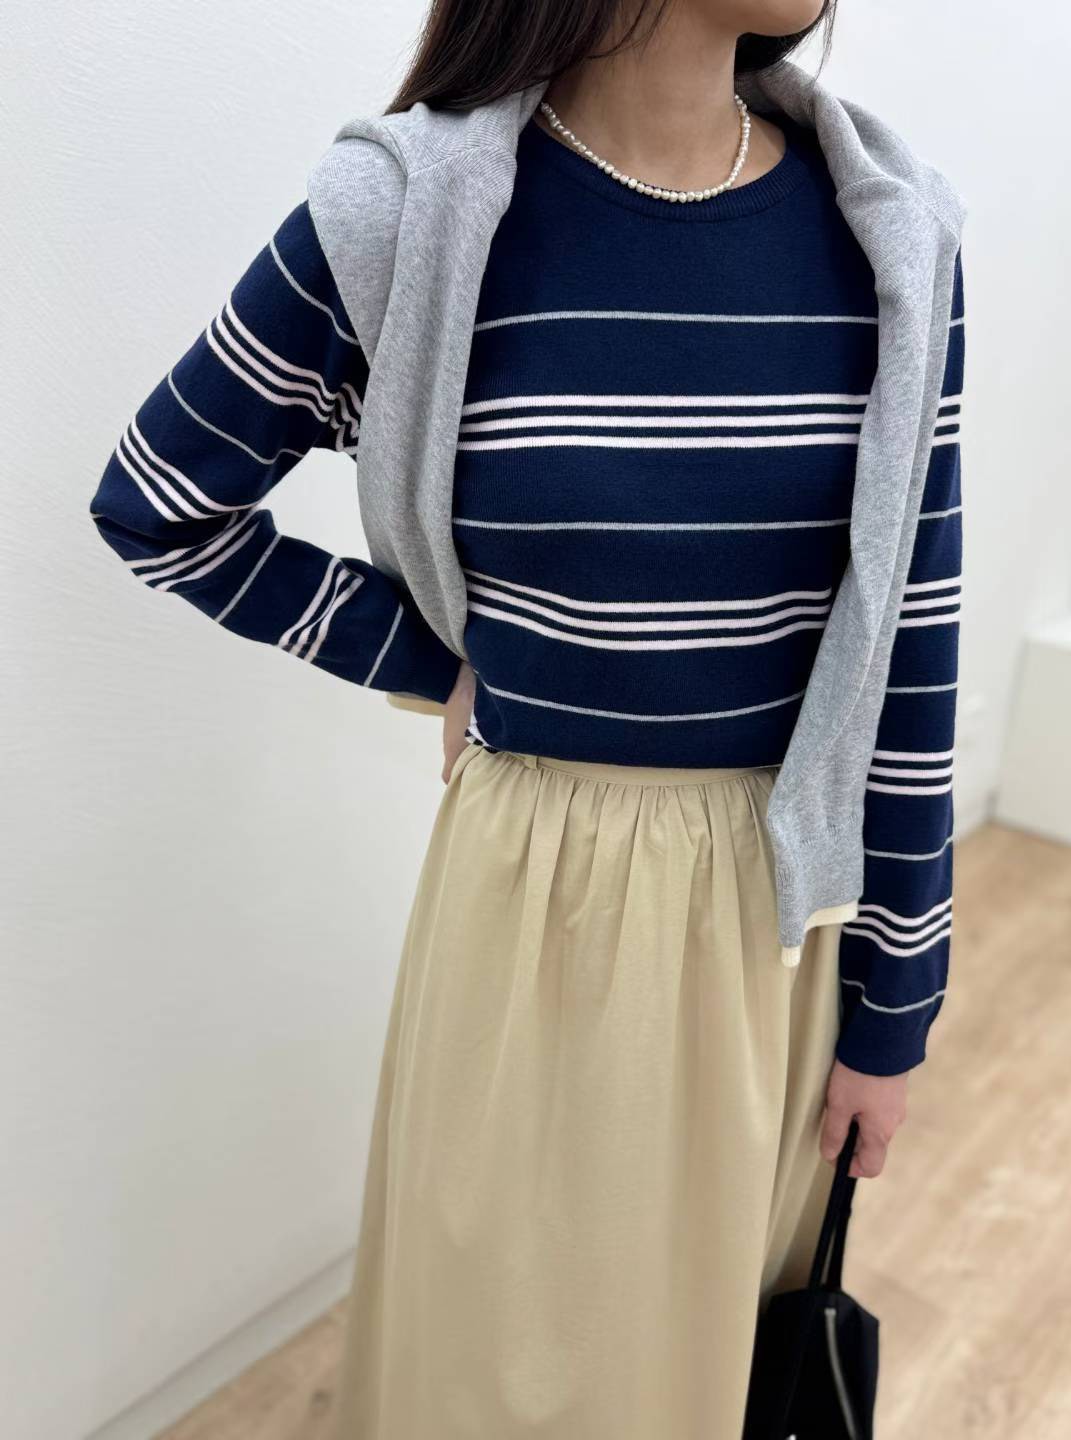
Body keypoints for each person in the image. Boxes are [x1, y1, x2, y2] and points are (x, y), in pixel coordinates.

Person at [88, 1, 966, 1434]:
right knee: (497, 1369)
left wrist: (896, 1010)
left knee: (694, 1363)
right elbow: (160, 504)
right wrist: (434, 660)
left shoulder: (891, 235)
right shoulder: (412, 210)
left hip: (776, 919)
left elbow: (911, 650)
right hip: (527, 909)